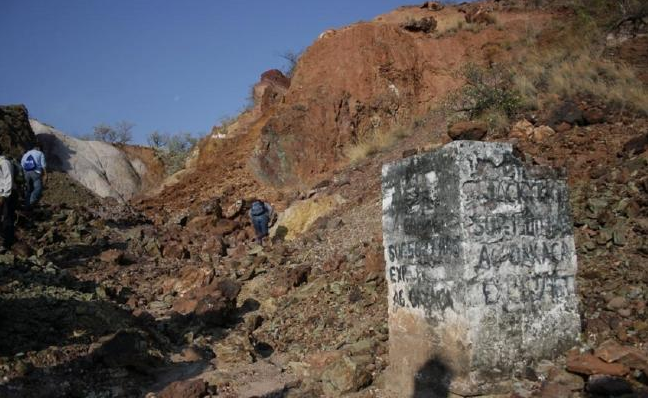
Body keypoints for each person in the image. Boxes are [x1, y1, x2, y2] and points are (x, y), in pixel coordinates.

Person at [21, 143, 47, 209]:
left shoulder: (27, 153)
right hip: (36, 173)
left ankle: (27, 205)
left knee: (28, 190)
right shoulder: (40, 153)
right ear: (39, 148)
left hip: (26, 173)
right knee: (38, 188)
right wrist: (45, 175)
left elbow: (22, 164)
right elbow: (43, 165)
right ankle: (32, 201)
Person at [0, 154, 17, 252]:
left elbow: (8, 180)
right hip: (2, 194)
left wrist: (3, 196)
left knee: (7, 217)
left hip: (7, 195)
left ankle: (7, 243)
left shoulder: (5, 163)